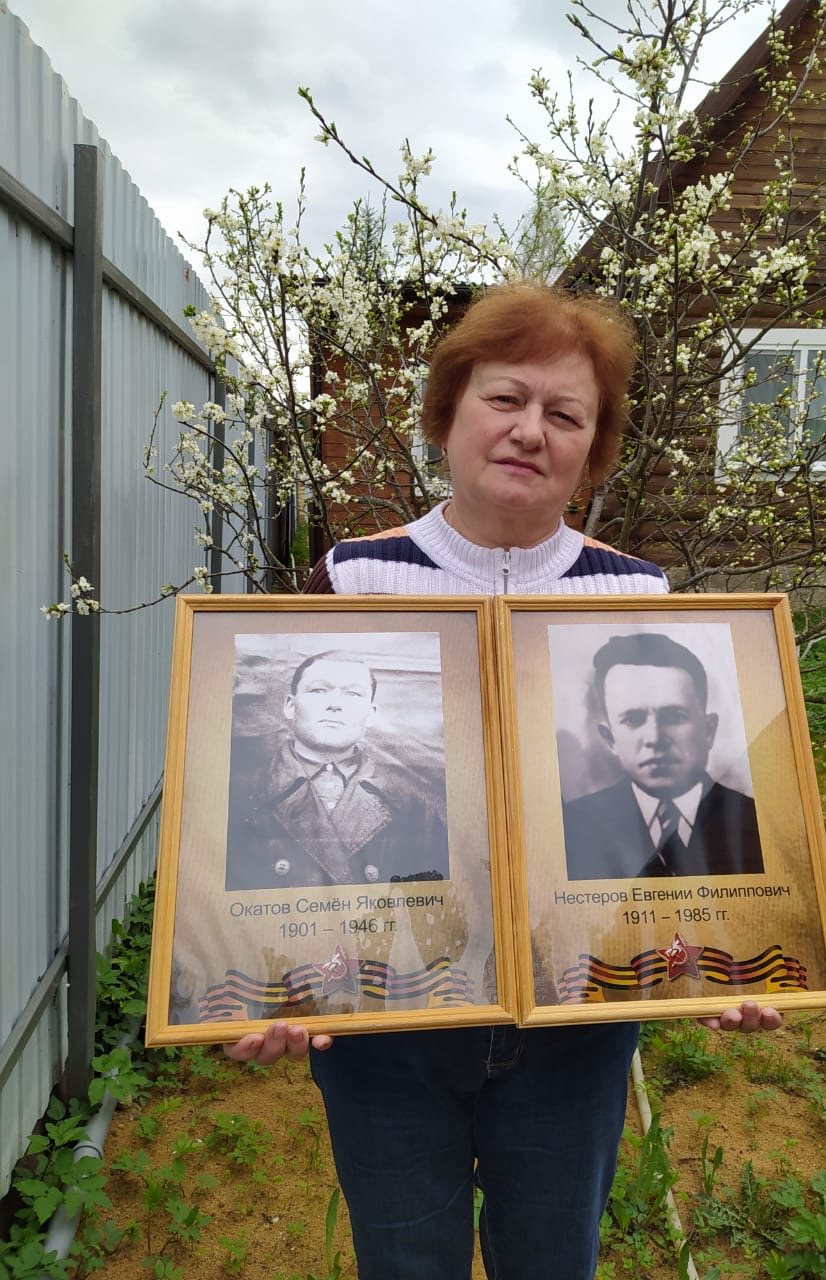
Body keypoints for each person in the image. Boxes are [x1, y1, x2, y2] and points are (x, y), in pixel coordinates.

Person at [225, 282, 783, 1280]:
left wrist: (719, 949)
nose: (531, 430)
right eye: (505, 398)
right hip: (389, 1018)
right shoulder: (353, 576)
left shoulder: (637, 592)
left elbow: (660, 821)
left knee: (551, 1260)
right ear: (448, 414)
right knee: (407, 1260)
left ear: (593, 447)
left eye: (565, 414)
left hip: (574, 1022)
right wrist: (274, 972)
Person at [225, 650, 448, 888]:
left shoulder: (418, 806)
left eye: (352, 694)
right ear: (290, 706)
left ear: (371, 714)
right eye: (318, 690)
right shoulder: (235, 795)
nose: (334, 705)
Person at [563, 632, 764, 879]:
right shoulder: (575, 826)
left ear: (708, 731)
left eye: (674, 716)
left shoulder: (756, 820)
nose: (655, 738)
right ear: (610, 739)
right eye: (633, 719)